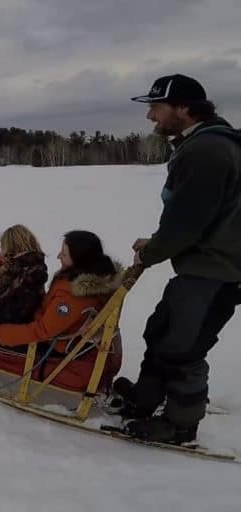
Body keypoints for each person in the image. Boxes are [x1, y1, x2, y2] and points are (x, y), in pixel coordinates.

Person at [109, 74, 241, 444]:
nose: (151, 116)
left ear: (184, 108)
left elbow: (187, 221)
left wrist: (154, 250)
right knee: (162, 330)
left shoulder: (207, 150)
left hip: (216, 271)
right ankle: (146, 398)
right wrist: (160, 243)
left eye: (156, 107)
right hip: (201, 263)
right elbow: (204, 215)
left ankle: (181, 425)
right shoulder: (203, 144)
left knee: (185, 346)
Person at [0, 231, 121, 355]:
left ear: (80, 260)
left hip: (52, 344)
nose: (59, 256)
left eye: (65, 253)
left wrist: (1, 334)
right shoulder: (80, 277)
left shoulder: (74, 297)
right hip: (43, 321)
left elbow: (44, 331)